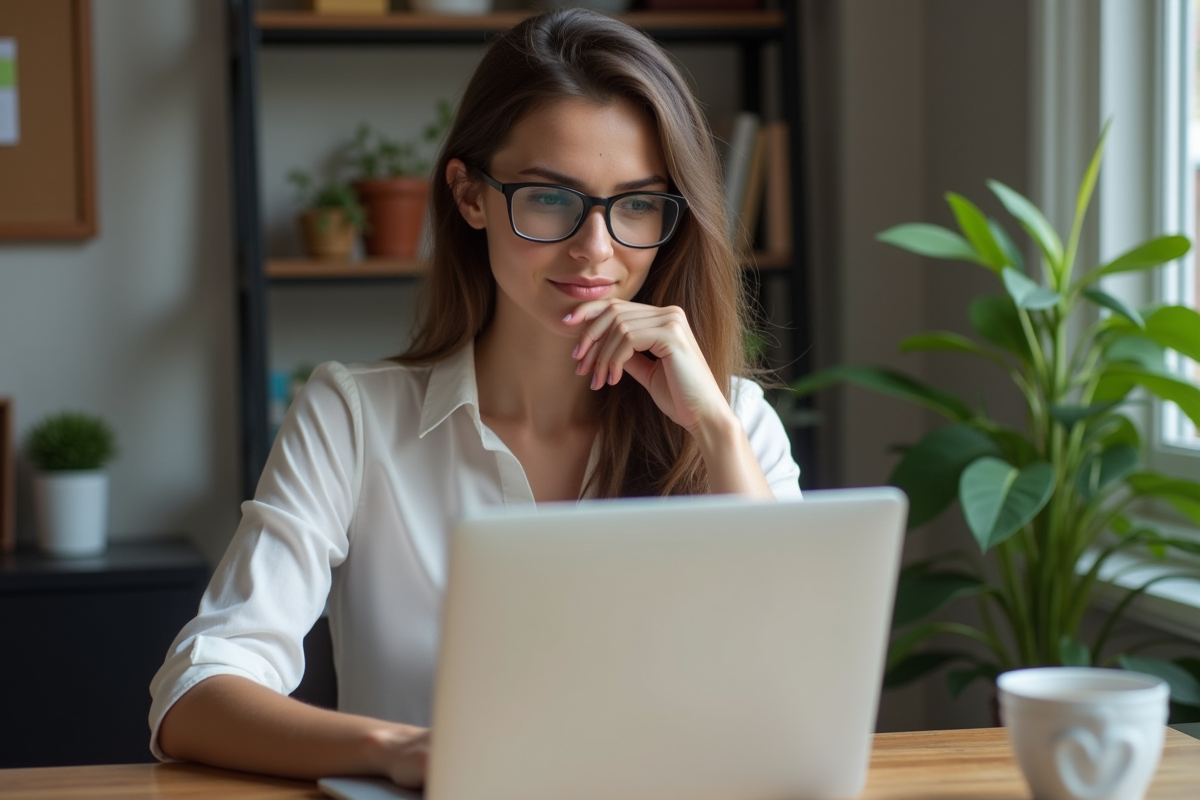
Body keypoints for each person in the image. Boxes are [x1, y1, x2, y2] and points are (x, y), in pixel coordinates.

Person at [150, 7, 802, 789]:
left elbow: (795, 701)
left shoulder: (732, 425)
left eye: (636, 205)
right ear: (470, 197)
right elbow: (194, 694)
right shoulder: (354, 420)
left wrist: (716, 435)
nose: (596, 250)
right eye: (551, 199)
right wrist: (401, 750)